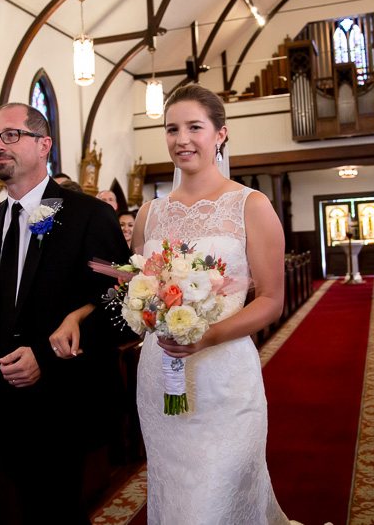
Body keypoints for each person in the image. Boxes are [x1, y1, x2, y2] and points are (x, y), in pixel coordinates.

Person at [0, 103, 126, 524]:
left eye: (10, 135)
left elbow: (121, 304)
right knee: (35, 507)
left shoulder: (87, 214)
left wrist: (45, 357)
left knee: (55, 506)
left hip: (65, 398)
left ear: (44, 144)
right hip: (5, 403)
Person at [131, 84, 292, 524]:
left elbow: (272, 299)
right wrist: (146, 312)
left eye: (194, 127)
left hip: (224, 379)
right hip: (161, 373)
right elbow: (140, 288)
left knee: (215, 499)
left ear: (220, 133)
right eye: (171, 129)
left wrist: (208, 334)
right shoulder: (150, 214)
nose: (181, 139)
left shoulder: (250, 205)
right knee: (175, 494)